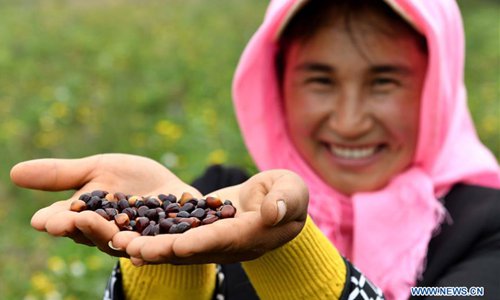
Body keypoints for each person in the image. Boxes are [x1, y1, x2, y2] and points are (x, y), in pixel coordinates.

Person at [9, 0, 500, 299]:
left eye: (385, 82)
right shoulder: (216, 201)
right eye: (320, 80)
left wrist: (286, 249)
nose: (350, 121)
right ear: (277, 84)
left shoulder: (485, 229)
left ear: (437, 89)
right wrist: (166, 276)